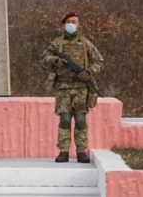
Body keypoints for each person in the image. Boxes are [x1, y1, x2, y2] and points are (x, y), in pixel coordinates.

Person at [39, 11, 105, 163]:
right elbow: (43, 61)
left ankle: (81, 151)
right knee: (65, 119)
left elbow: (100, 62)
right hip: (63, 87)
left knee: (81, 119)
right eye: (69, 22)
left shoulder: (86, 44)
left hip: (81, 88)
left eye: (74, 22)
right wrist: (54, 60)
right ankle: (63, 152)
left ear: (79, 24)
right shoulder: (57, 43)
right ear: (63, 25)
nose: (71, 25)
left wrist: (89, 72)